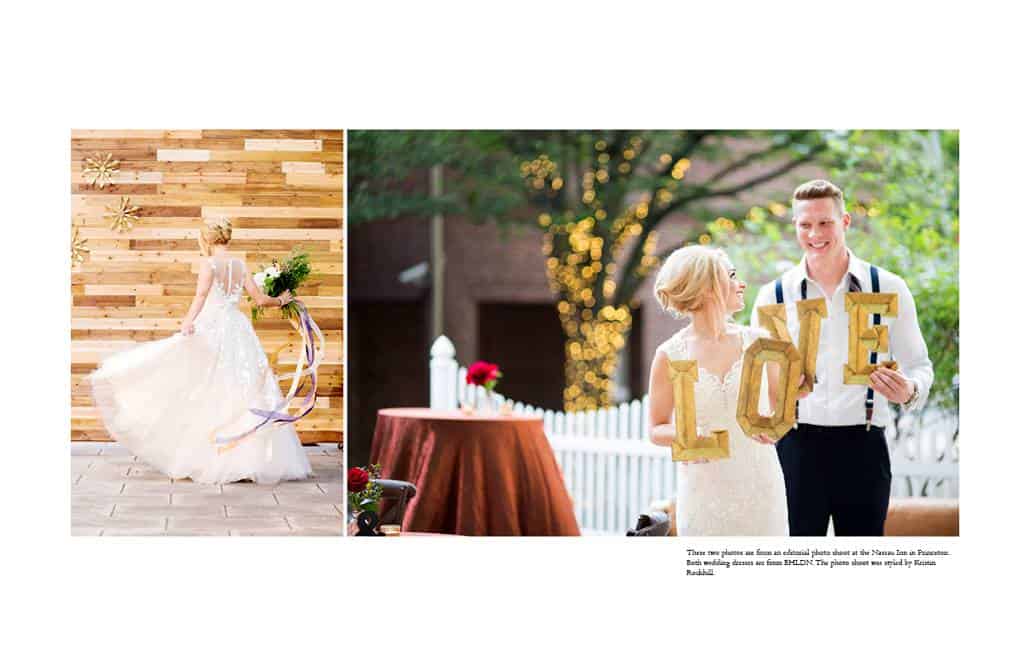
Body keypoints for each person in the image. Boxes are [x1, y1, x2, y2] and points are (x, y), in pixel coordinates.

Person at [751, 179, 933, 536]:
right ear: (795, 226)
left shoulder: (888, 288)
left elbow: (919, 365)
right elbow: (760, 375)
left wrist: (909, 390)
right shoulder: (773, 295)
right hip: (796, 447)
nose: (815, 234)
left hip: (863, 447)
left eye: (825, 223)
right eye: (805, 224)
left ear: (845, 222)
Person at [90, 218, 313, 484]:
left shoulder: (208, 264)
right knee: (244, 386)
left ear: (207, 238)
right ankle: (253, 459)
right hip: (238, 329)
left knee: (208, 385)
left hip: (214, 327)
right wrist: (282, 300)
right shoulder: (240, 265)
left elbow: (200, 296)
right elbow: (261, 300)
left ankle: (215, 457)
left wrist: (188, 321)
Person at [648, 245, 789, 536]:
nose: (742, 284)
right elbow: (656, 428)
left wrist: (776, 427)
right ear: (709, 286)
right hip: (703, 492)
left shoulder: (761, 343)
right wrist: (687, 436)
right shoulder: (669, 354)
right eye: (732, 275)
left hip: (761, 488)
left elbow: (782, 413)